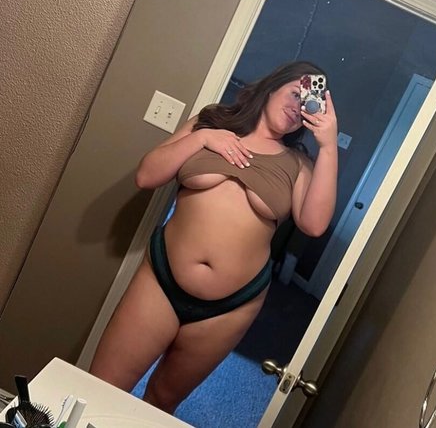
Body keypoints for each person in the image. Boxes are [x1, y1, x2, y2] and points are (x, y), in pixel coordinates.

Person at [89, 61, 338, 414]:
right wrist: (204, 138)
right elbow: (146, 176)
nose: (298, 106)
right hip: (161, 280)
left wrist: (328, 147)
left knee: (160, 403)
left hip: (232, 306)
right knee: (100, 388)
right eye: (294, 93)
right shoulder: (211, 121)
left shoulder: (299, 164)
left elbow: (313, 225)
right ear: (272, 87)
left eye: (308, 103)